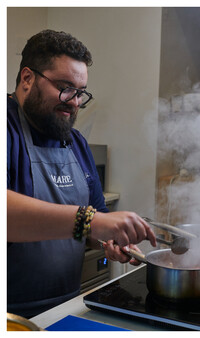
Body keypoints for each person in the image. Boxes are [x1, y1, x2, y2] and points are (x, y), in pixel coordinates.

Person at [7, 29, 157, 318]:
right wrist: (91, 222)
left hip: (68, 307)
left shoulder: (76, 144)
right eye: (65, 88)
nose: (74, 102)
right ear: (27, 78)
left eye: (80, 92)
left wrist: (107, 239)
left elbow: (95, 219)